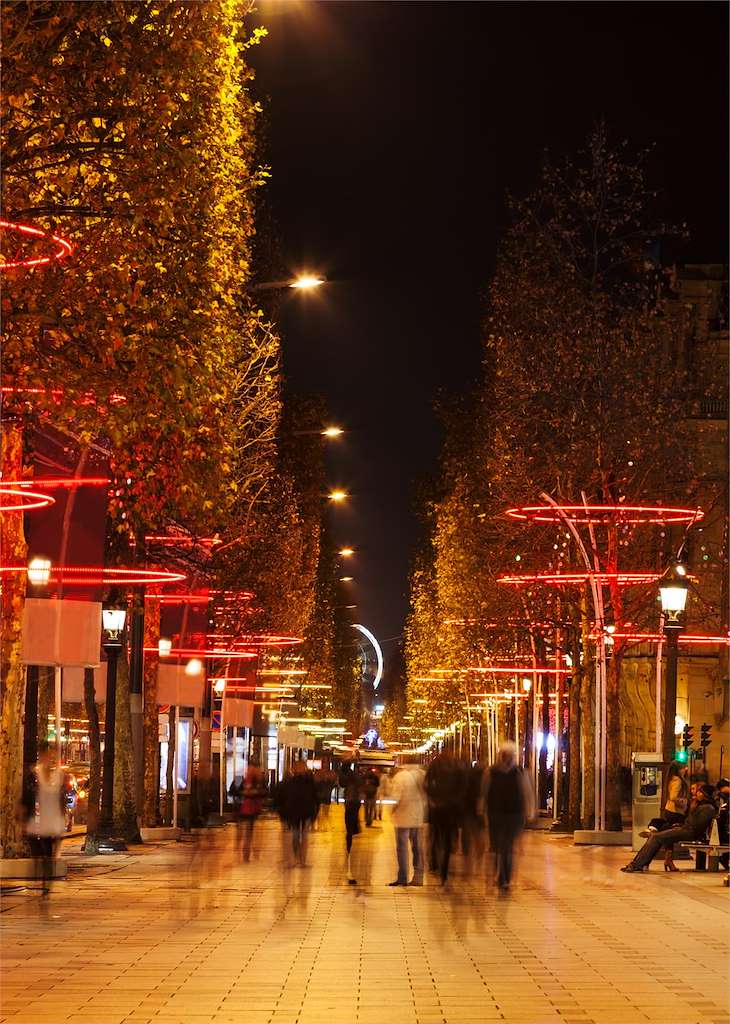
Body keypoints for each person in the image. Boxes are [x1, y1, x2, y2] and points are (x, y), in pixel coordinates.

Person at [621, 782, 717, 873]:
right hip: (685, 829)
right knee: (655, 835)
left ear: (705, 794)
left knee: (656, 837)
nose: (697, 793)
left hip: (689, 832)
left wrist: (683, 824)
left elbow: (696, 826)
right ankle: (638, 863)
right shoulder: (699, 805)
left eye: (700, 792)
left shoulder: (708, 808)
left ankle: (637, 865)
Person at [484, 742, 534, 892]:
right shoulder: (491, 771)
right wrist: (481, 808)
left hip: (514, 815)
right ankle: (500, 875)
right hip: (495, 814)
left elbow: (527, 792)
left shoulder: (520, 772)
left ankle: (505, 878)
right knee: (498, 847)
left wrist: (529, 810)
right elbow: (484, 791)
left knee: (508, 847)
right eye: (504, 754)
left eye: (508, 754)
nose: (505, 757)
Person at [22, 744, 66, 899]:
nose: (51, 758)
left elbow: (62, 800)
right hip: (36, 822)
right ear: (41, 756)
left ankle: (45, 888)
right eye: (48, 755)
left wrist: (63, 819)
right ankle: (36, 883)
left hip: (53, 822)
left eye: (54, 755)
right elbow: (26, 797)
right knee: (37, 857)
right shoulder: (34, 775)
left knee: (48, 857)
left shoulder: (59, 776)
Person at [425, 752, 465, 884]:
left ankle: (434, 862)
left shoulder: (434, 767)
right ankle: (444, 869)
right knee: (447, 840)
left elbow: (426, 784)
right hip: (451, 810)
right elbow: (463, 788)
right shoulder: (457, 768)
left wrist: (432, 799)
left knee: (436, 836)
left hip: (437, 809)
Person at [388, 755, 426, 887]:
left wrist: (392, 810)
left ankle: (403, 877)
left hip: (403, 817)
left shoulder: (401, 776)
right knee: (417, 847)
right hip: (418, 816)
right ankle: (419, 877)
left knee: (402, 848)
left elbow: (396, 797)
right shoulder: (423, 775)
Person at [280, 760, 319, 867]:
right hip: (295, 813)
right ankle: (297, 858)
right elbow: (282, 798)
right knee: (296, 836)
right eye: (299, 767)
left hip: (305, 812)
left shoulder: (309, 782)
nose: (301, 770)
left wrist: (314, 813)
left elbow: (315, 798)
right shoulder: (290, 782)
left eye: (302, 767)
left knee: (303, 837)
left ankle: (302, 860)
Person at [661, 760, 690, 871]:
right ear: (678, 770)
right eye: (683, 768)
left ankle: (668, 860)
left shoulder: (671, 779)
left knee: (670, 838)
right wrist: (683, 802)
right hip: (675, 812)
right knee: (673, 836)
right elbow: (673, 797)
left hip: (670, 811)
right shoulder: (677, 780)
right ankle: (669, 860)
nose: (685, 770)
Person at [339, 761, 362, 884]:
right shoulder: (354, 776)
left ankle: (350, 836)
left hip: (350, 802)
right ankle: (352, 832)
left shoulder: (347, 776)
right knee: (351, 822)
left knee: (349, 822)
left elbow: (342, 784)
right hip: (354, 801)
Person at [238, 760, 266, 862]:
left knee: (250, 832)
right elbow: (235, 791)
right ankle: (246, 853)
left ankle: (249, 852)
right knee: (248, 832)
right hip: (246, 810)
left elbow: (264, 793)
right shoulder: (243, 779)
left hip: (253, 809)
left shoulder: (257, 781)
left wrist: (251, 792)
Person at [716, 778, 729, 870]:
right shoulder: (722, 797)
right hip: (724, 824)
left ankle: (724, 859)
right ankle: (724, 859)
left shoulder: (724, 796)